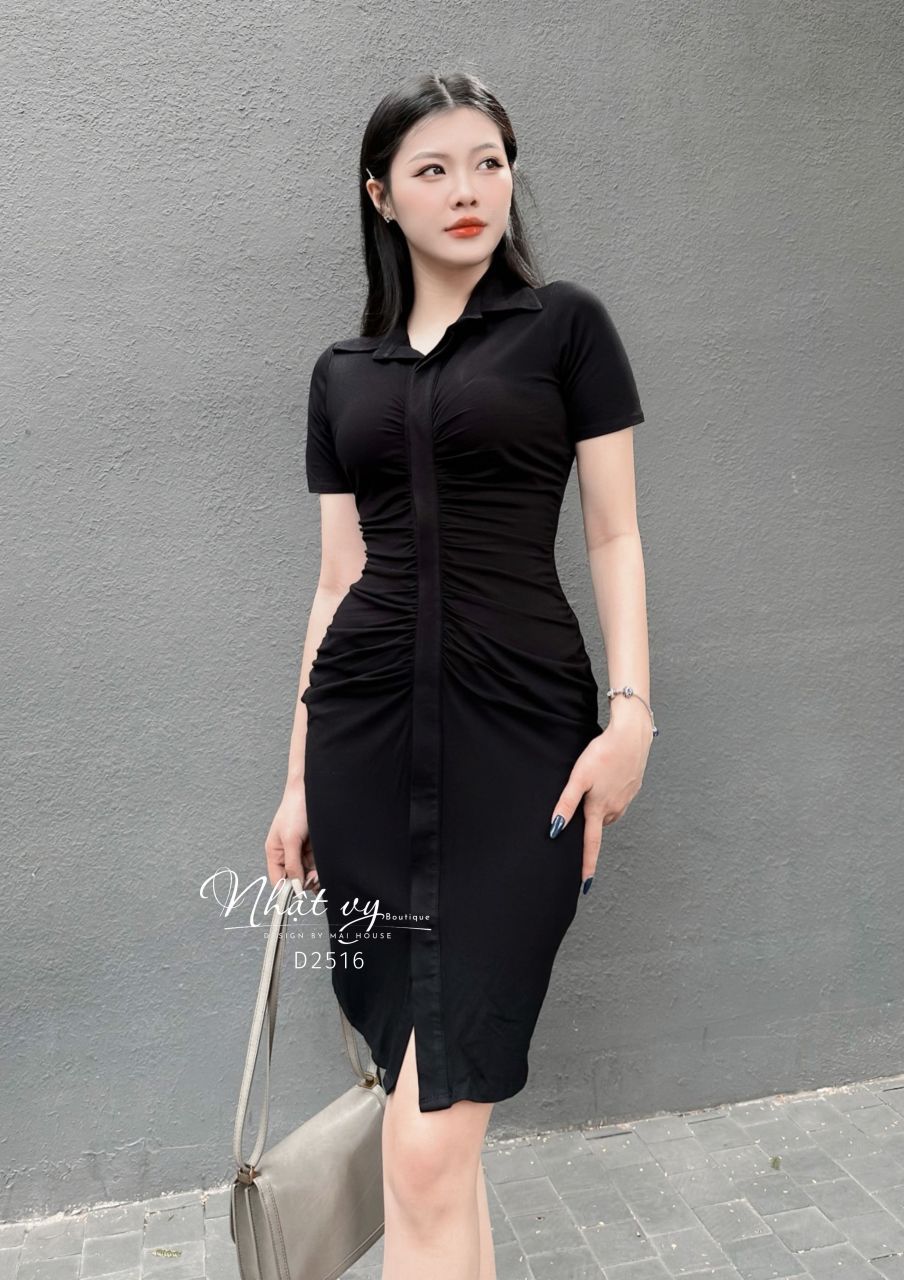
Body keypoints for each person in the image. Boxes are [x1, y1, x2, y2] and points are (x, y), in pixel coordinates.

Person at [265, 69, 656, 1280]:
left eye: (487, 161)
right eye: (432, 169)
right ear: (381, 195)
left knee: (430, 1142)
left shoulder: (565, 327)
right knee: (426, 1132)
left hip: (520, 743)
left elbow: (613, 535)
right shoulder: (342, 372)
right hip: (364, 750)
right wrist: (297, 781)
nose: (467, 188)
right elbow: (336, 581)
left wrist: (631, 714)